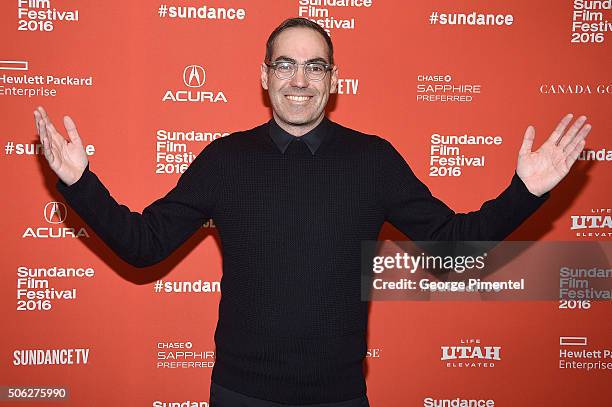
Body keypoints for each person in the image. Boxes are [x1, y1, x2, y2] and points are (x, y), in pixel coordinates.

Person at [34, 17, 590, 407]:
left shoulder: (373, 160)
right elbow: (143, 242)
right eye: (286, 64)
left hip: (339, 396)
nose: (299, 80)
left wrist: (526, 190)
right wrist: (80, 184)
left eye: (315, 67)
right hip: (239, 394)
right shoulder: (225, 159)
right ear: (264, 76)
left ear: (333, 80)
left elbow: (450, 249)